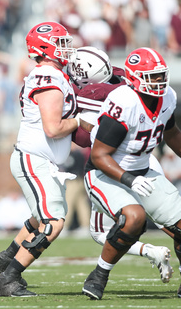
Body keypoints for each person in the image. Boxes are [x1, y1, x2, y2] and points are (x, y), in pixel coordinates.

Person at [0, 46, 174, 284]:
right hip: (122, 164)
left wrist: (79, 119)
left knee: (57, 219)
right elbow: (63, 126)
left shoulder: (84, 89)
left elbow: (84, 132)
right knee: (55, 218)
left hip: (125, 163)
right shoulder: (109, 83)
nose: (66, 53)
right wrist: (79, 120)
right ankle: (10, 266)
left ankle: (9, 263)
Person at [81, 47, 181, 300]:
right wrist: (129, 179)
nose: (159, 82)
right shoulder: (125, 102)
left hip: (143, 171)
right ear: (135, 78)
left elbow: (171, 134)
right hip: (105, 174)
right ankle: (99, 275)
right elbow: (99, 155)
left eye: (161, 75)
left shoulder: (168, 97)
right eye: (152, 76)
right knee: (133, 217)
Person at [0, 21, 79, 297]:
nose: (67, 48)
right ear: (44, 47)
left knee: (41, 216)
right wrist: (83, 122)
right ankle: (9, 278)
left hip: (42, 161)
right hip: (34, 158)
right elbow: (53, 128)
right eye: (61, 43)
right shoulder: (48, 77)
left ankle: (7, 257)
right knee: (53, 221)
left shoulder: (50, 74)